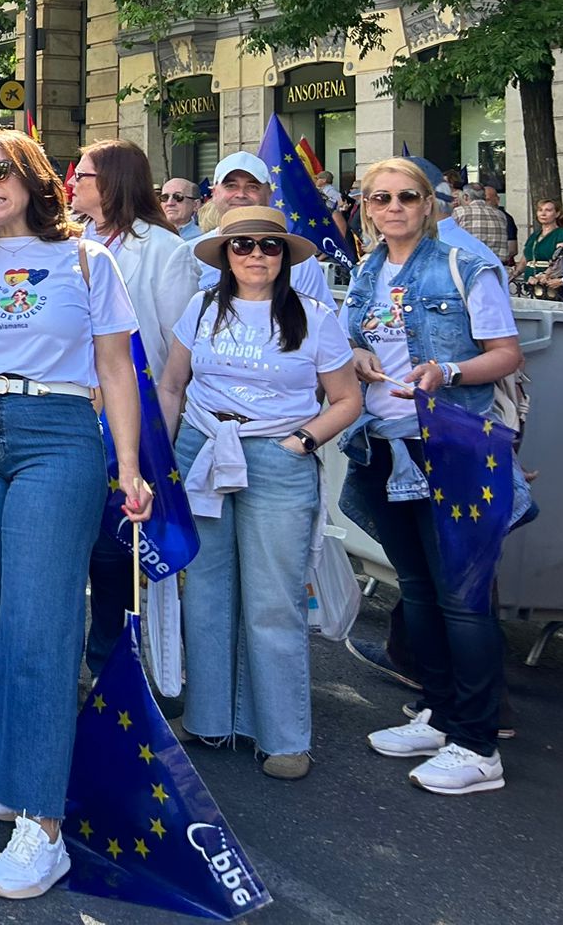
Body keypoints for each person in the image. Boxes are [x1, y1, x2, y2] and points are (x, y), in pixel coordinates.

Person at [0, 129, 151, 901]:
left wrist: (128, 467)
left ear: (34, 177)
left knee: (43, 619)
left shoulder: (87, 259)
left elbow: (117, 370)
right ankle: (16, 769)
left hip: (58, 433)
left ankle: (43, 825)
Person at [158, 208, 361, 778]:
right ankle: (208, 720)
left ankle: (283, 736)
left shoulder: (317, 317)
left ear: (284, 256)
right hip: (201, 453)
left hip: (277, 458)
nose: (254, 255)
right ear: (225, 253)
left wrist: (303, 440)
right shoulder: (199, 308)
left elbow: (347, 399)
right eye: (241, 244)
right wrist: (160, 462)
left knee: (274, 600)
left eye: (268, 247)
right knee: (205, 592)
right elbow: (173, 385)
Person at [342, 157, 522, 797]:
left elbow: (505, 354)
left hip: (448, 446)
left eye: (406, 197)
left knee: (462, 598)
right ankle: (442, 714)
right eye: (379, 198)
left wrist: (446, 371)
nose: (393, 207)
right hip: (384, 445)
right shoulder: (366, 270)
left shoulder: (465, 265)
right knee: (416, 590)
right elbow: (355, 346)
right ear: (366, 208)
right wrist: (358, 354)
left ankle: (477, 743)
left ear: (429, 204)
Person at [71, 139, 199, 676]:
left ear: (114, 182)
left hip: (135, 417)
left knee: (117, 547)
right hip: (76, 413)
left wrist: (157, 433)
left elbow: (176, 351)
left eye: (82, 175)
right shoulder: (71, 242)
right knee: (81, 542)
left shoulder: (166, 252)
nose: (71, 184)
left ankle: (113, 664)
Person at [196, 153, 334, 297]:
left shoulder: (301, 262)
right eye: (231, 186)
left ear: (269, 194)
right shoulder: (190, 254)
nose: (241, 194)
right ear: (214, 193)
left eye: (252, 187)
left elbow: (321, 315)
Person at [519, 198, 563, 288]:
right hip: (529, 280)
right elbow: (524, 260)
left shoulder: (561, 233)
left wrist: (544, 275)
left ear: (557, 213)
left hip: (549, 281)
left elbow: (561, 258)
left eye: (548, 210)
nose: (543, 214)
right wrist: (511, 276)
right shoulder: (534, 235)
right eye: (540, 210)